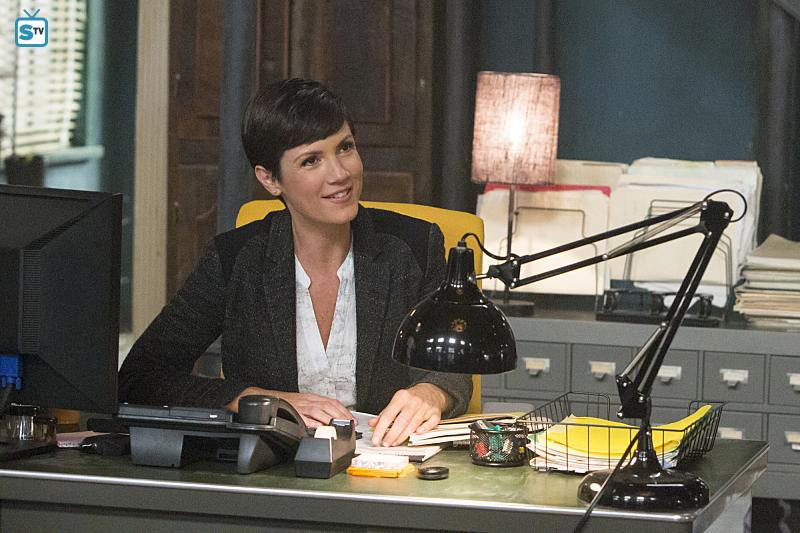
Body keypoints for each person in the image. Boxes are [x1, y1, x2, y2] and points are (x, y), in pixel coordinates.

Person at [118, 78, 472, 447]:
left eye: (345, 148)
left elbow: (454, 367)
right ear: (270, 179)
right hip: (271, 467)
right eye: (311, 160)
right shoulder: (236, 259)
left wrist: (431, 393)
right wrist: (253, 399)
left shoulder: (415, 246)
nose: (340, 174)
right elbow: (141, 376)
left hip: (388, 463)